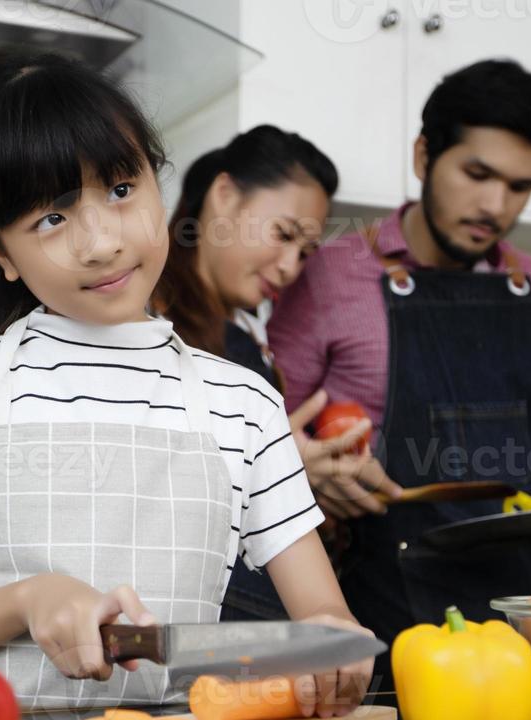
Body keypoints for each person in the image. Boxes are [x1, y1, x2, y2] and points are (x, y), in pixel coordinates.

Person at [0, 54, 372, 714]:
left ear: (157, 187)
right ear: (1, 255)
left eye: (121, 191)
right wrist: (26, 601)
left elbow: (323, 618)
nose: (100, 244)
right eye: (51, 218)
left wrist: (335, 646)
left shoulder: (245, 407)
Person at [267, 59, 531, 677]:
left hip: (527, 609)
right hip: (390, 605)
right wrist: (314, 474)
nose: (495, 205)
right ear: (424, 157)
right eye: (477, 173)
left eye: (521, 186)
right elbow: (265, 432)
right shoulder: (329, 275)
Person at [155, 126, 370, 622]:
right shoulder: (148, 319)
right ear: (225, 196)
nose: (292, 265)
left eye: (306, 251)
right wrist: (283, 471)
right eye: (284, 234)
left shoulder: (245, 338)